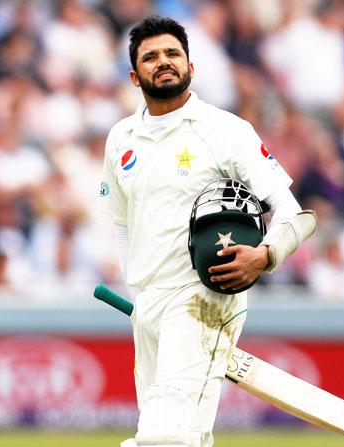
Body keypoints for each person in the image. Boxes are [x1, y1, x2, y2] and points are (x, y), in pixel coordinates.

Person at [99, 16, 312, 447]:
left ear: (191, 67)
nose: (164, 62)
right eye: (151, 57)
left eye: (173, 54)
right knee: (188, 435)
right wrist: (139, 293)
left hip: (203, 299)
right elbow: (123, 224)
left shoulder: (227, 131)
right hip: (149, 304)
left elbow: (296, 215)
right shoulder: (121, 138)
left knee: (162, 435)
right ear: (134, 75)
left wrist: (265, 255)